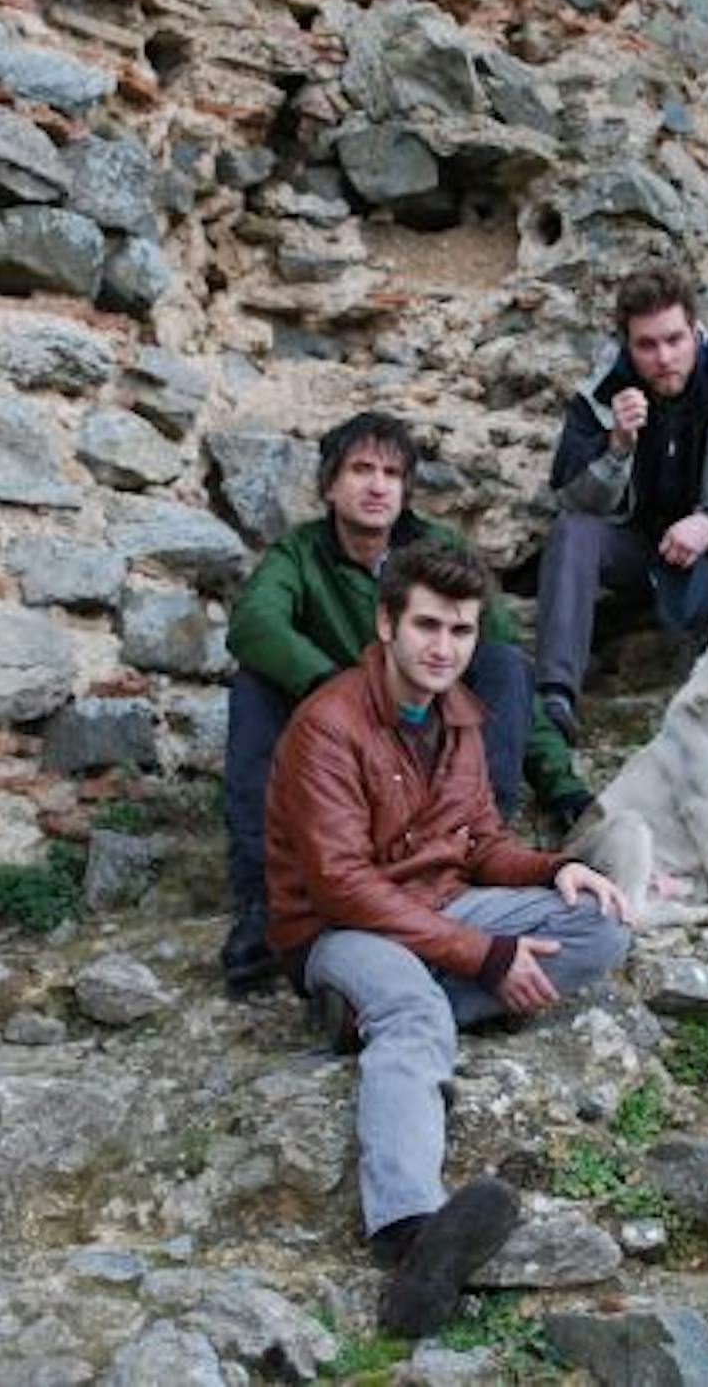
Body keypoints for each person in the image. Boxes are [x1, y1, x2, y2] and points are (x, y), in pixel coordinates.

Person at [264, 537, 633, 1337]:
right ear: (386, 622)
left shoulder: (461, 713)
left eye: (461, 632)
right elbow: (341, 884)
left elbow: (478, 843)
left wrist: (551, 869)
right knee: (416, 1013)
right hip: (338, 927)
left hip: (441, 905)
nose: (444, 648)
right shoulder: (326, 724)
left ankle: (364, 1017)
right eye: (427, 626)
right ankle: (409, 1233)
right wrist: (483, 955)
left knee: (601, 926)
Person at [218, 412, 592, 992]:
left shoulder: (439, 550)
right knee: (254, 686)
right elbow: (253, 624)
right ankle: (260, 899)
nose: (377, 485)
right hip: (345, 753)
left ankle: (472, 857)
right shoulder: (301, 553)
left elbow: (507, 666)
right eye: (361, 469)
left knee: (502, 663)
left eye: (392, 473)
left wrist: (562, 784)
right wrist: (343, 691)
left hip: (434, 745)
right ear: (329, 485)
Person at [533, 264, 708, 743]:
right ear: (627, 344)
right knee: (573, 532)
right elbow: (570, 496)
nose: (664, 358)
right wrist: (616, 446)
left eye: (674, 340)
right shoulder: (602, 393)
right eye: (647, 345)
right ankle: (555, 696)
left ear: (695, 331)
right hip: (637, 553)